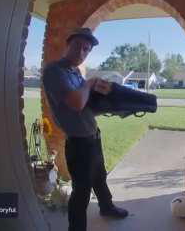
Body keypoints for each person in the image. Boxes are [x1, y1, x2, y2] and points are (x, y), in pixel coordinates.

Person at [42, 27, 128, 231]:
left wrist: (112, 107)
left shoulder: (75, 73)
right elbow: (76, 103)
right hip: (79, 143)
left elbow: (86, 108)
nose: (81, 52)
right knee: (81, 190)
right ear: (68, 45)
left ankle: (106, 207)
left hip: (92, 137)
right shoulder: (54, 71)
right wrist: (89, 83)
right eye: (77, 46)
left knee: (100, 176)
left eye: (86, 50)